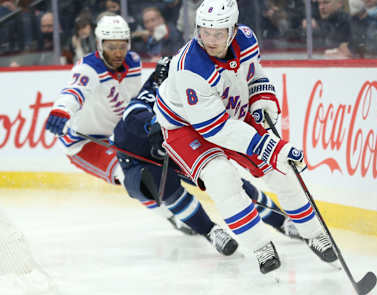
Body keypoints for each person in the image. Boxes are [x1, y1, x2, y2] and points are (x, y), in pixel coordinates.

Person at [154, 0, 337, 274]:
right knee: (221, 178)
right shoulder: (189, 68)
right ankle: (261, 246)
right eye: (204, 31)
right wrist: (273, 148)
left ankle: (315, 234)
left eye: (218, 33)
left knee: (281, 171)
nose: (210, 40)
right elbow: (216, 130)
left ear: (233, 29)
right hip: (186, 126)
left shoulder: (247, 39)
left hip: (228, 109)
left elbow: (254, 75)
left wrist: (263, 98)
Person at [113, 58, 304, 253]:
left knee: (228, 182)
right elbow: (132, 113)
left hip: (171, 148)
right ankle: (210, 231)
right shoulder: (157, 89)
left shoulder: (195, 88)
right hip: (135, 156)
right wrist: (153, 124)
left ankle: (281, 221)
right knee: (165, 186)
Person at [43, 15, 192, 236]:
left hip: (120, 134)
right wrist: (62, 110)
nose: (117, 52)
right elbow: (74, 91)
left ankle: (184, 206)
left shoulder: (133, 61)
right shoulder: (88, 68)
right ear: (99, 44)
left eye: (122, 46)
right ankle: (172, 215)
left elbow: (134, 99)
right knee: (129, 173)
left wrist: (156, 82)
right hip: (84, 142)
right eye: (111, 46)